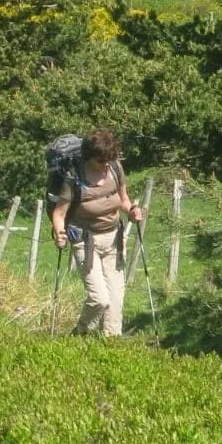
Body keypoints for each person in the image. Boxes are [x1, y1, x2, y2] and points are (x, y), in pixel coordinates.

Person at [49, 128, 144, 336]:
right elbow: (59, 213)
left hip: (114, 239)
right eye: (101, 160)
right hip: (86, 241)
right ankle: (81, 333)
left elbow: (124, 199)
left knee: (116, 300)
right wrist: (59, 233)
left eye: (109, 159)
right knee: (99, 298)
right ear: (89, 156)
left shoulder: (115, 168)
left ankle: (111, 344)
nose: (106, 164)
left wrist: (133, 211)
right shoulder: (74, 177)